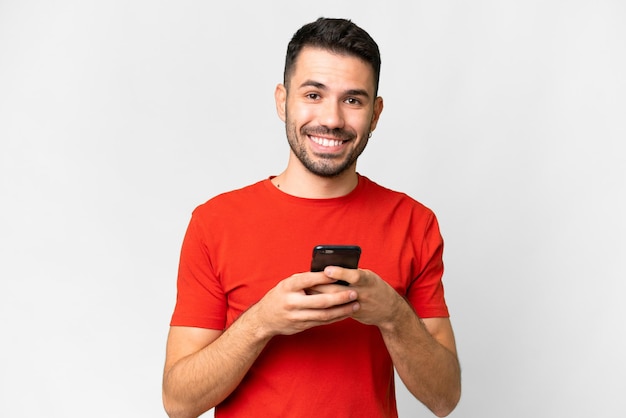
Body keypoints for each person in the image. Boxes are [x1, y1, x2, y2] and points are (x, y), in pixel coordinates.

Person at [162, 17, 461, 418]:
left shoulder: (414, 222)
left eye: (353, 100)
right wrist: (262, 322)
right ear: (283, 101)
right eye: (314, 95)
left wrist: (392, 315)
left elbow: (445, 400)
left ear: (375, 113)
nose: (333, 119)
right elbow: (179, 403)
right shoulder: (214, 222)